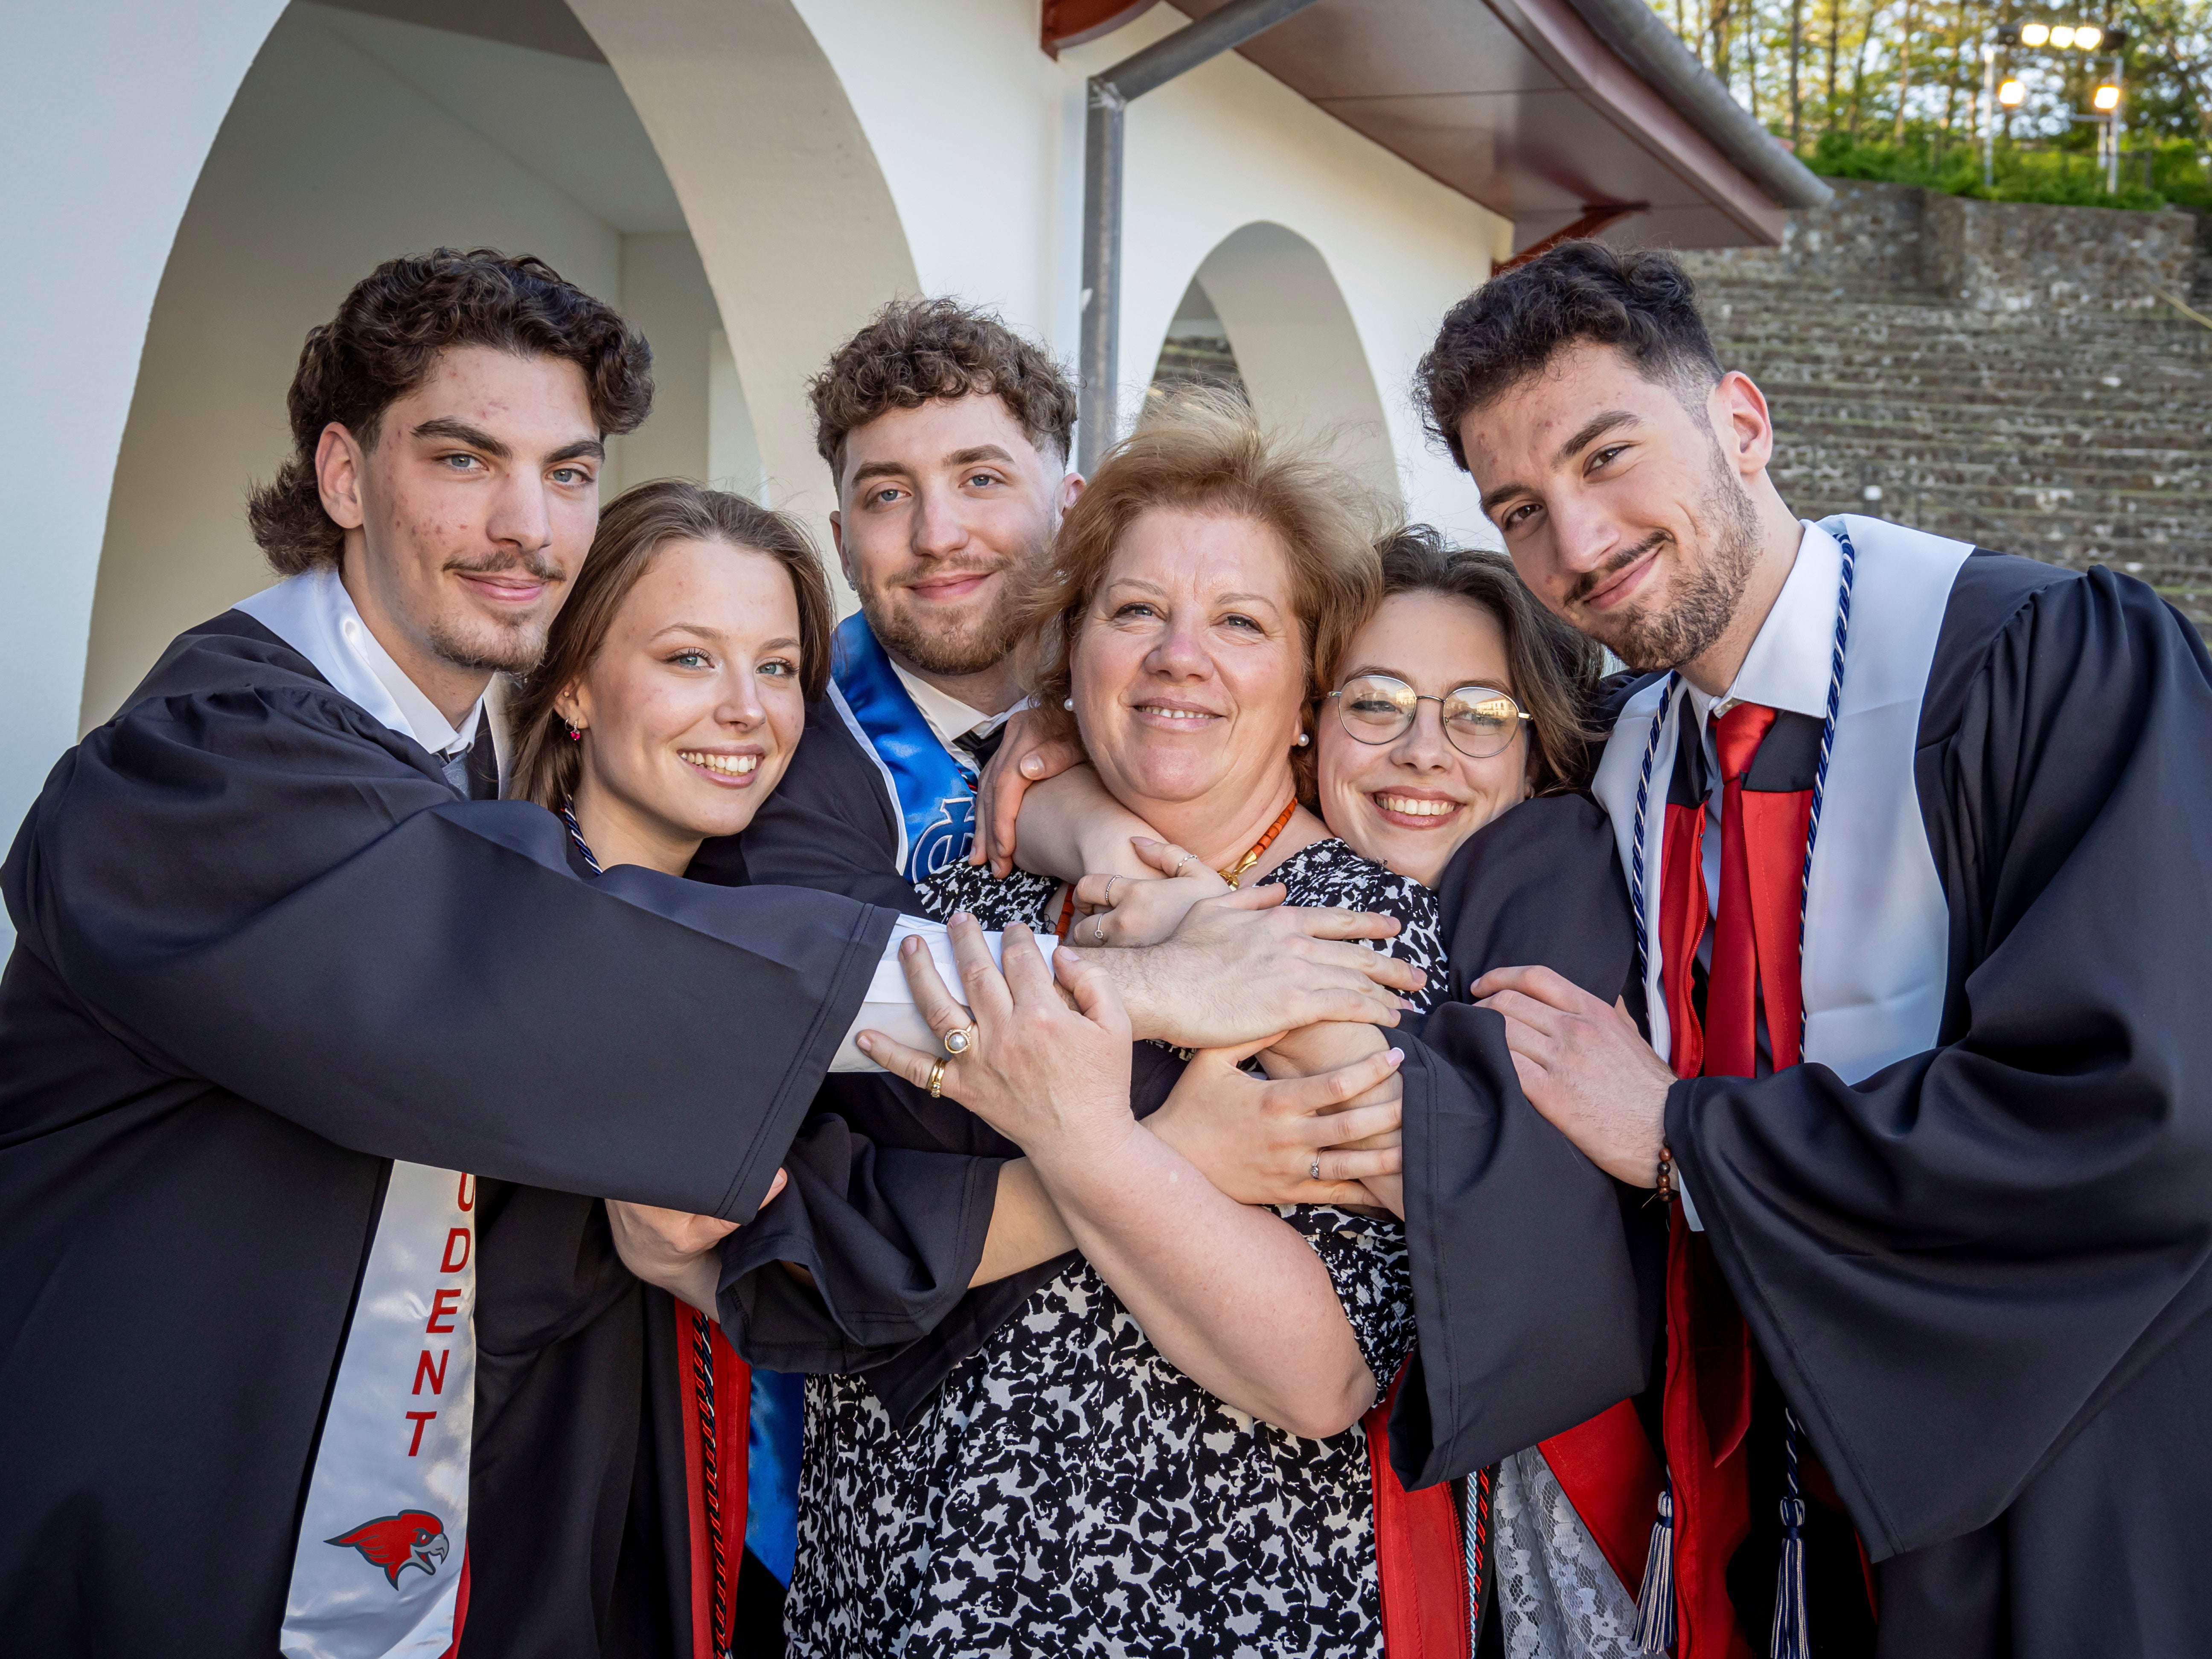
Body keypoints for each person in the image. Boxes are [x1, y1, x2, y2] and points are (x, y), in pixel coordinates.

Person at [0, 250, 1421, 1658]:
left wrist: (1075, 817)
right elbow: (550, 973)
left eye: (567, 471)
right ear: (345, 474)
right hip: (182, 1511)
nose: (523, 523)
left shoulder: (478, 780)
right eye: (461, 457)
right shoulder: (204, 761)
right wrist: (1137, 1024)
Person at [1413, 239, 2212, 1657]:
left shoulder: (2040, 663)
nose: (1578, 547)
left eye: (1609, 458)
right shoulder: (1615, 756)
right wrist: (1075, 792)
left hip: (2030, 1478)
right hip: (1734, 1478)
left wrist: (1681, 1134)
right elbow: (1359, 773)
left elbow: (2138, 1103)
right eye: (1521, 510)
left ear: (1741, 420)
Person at [747, 399, 1445, 1656]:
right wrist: (1177, 1156)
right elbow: (829, 1247)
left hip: (1184, 1614)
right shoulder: (965, 903)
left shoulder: (1353, 940)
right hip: (884, 1600)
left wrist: (1093, 1146)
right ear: (1071, 658)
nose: (1182, 655)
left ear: (1308, 696)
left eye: (1241, 622)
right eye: (1137, 612)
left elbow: (1323, 1378)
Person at [1006, 526, 1658, 1654]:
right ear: (1309, 721)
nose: (1424, 752)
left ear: (1539, 752)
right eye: (1378, 703)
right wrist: (1074, 799)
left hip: (1564, 1486)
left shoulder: (1548, 883)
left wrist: (1205, 953)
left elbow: (1496, 1186)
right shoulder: (1295, 881)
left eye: (1480, 716)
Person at [710, 297, 1083, 901]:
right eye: (888, 494)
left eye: (981, 480)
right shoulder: (771, 762)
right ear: (844, 546)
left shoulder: (1154, 705)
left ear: (1072, 512)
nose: (936, 537)